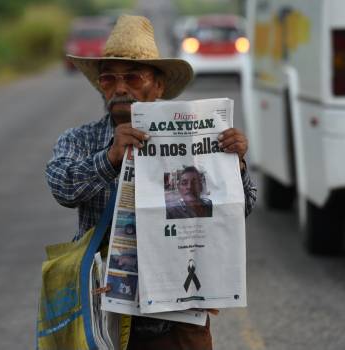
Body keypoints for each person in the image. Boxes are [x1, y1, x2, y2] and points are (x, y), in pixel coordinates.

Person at [45, 15, 257, 350]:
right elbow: (61, 187)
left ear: (157, 86)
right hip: (104, 316)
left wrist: (235, 167)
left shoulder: (197, 135)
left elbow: (237, 212)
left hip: (179, 318)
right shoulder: (80, 140)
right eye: (108, 79)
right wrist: (110, 157)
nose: (120, 88)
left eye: (132, 77)